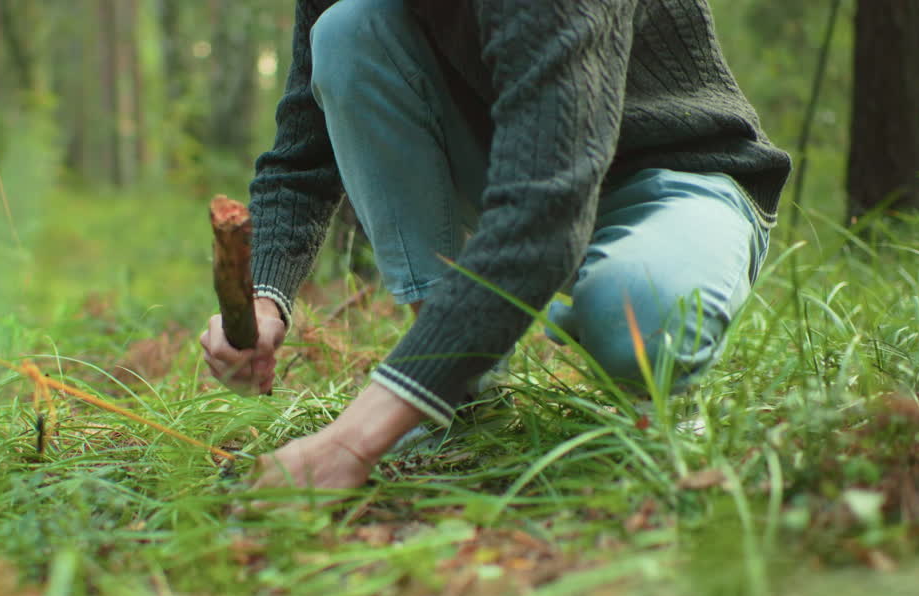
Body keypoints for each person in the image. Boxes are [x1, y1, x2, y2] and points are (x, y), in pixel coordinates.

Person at [199, 0, 791, 495]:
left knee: (634, 321)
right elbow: (301, 154)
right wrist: (263, 299)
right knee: (347, 28)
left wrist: (354, 438)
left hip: (674, 174)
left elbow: (547, 209)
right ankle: (459, 391)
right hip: (517, 168)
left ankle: (611, 336)